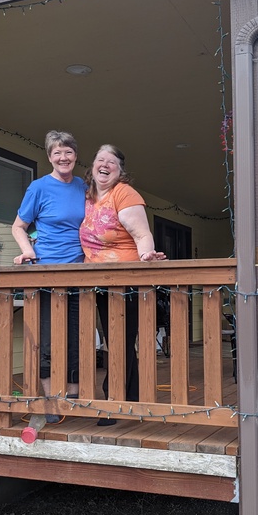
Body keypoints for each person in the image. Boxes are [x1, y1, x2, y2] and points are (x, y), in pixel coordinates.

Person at [79, 144, 166, 425]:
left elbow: (142, 235)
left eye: (112, 162)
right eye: (100, 159)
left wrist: (145, 257)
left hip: (124, 280)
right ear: (92, 167)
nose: (105, 164)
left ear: (120, 170)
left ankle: (112, 401)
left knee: (119, 340)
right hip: (98, 281)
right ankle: (133, 395)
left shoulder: (124, 194)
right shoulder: (87, 197)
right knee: (119, 340)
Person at [12, 131, 86, 420]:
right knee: (48, 338)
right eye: (57, 153)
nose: (63, 158)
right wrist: (27, 250)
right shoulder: (39, 188)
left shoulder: (84, 186)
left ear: (75, 156)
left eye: (68, 152)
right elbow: (19, 226)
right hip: (46, 272)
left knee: (77, 338)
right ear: (49, 157)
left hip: (79, 273)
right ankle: (52, 399)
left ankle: (73, 397)